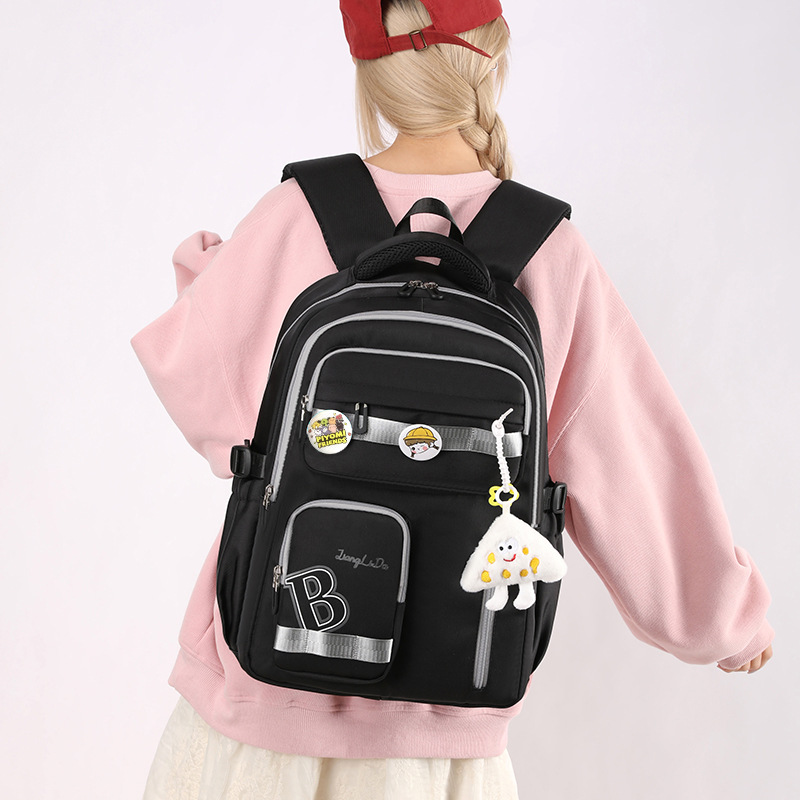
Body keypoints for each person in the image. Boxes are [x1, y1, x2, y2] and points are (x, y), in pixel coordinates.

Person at [131, 1, 774, 797]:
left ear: (368, 73)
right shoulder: (549, 250)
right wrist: (724, 620)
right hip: (443, 728)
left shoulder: (296, 213)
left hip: (262, 701)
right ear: (492, 58)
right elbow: (629, 459)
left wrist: (211, 271)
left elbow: (210, 391)